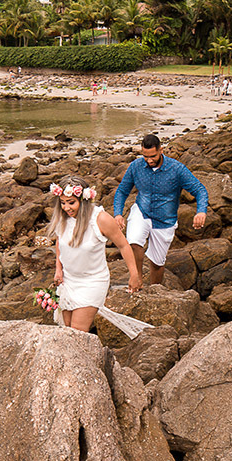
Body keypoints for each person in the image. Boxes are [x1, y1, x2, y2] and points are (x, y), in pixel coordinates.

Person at [48, 176, 144, 333]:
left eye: (71, 202)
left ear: (84, 200)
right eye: (63, 202)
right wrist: (58, 270)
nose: (66, 207)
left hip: (92, 282)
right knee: (66, 329)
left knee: (77, 331)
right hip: (68, 280)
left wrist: (134, 275)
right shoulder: (63, 217)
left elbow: (123, 245)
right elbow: (60, 243)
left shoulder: (100, 219)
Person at [113, 134, 208, 286]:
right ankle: (136, 280)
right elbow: (122, 191)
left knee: (157, 263)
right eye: (145, 156)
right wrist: (118, 214)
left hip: (165, 220)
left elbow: (199, 190)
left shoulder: (177, 169)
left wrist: (201, 211)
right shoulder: (136, 166)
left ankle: (154, 289)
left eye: (153, 156)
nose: (149, 160)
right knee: (134, 242)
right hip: (141, 211)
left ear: (161, 150)